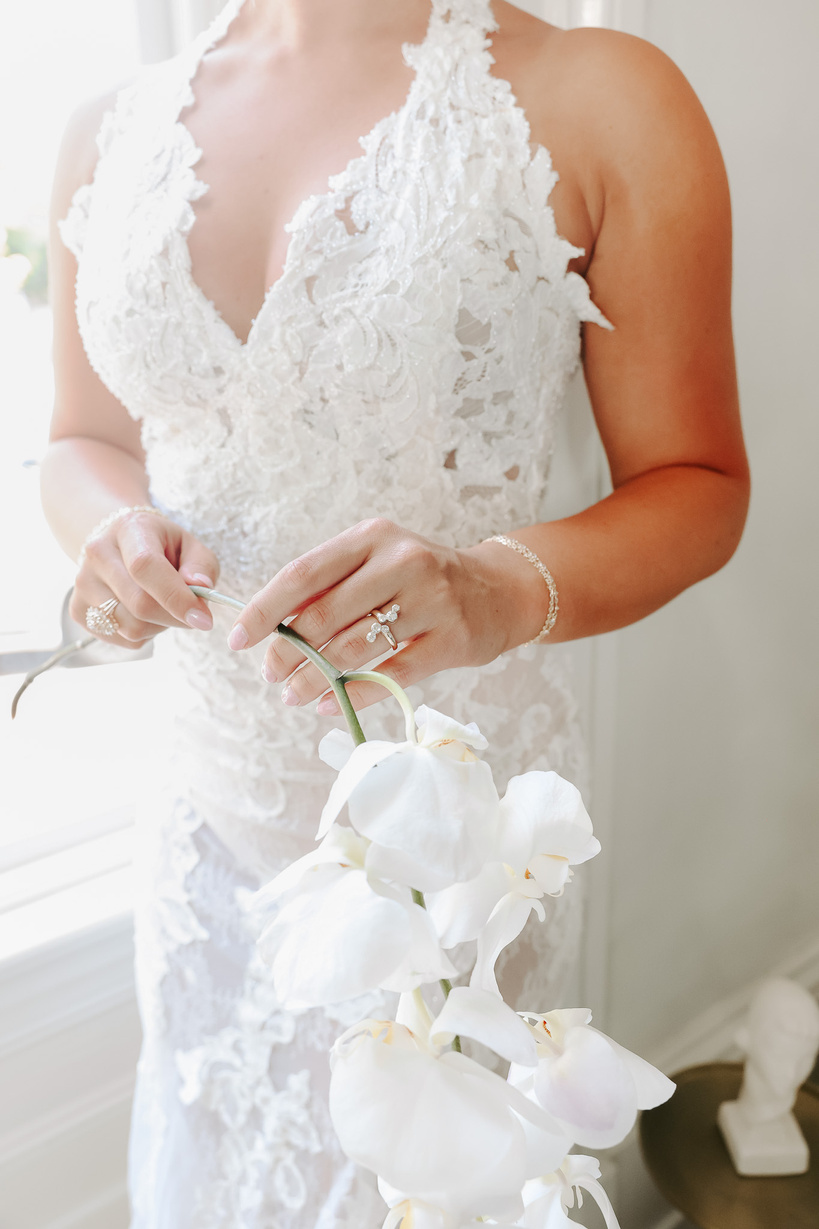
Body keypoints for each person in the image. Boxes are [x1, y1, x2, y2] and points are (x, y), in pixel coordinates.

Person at [42, 0, 750, 1224]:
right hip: (209, 834)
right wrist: (109, 530)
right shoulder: (108, 128)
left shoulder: (604, 97)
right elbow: (83, 439)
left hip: (448, 853)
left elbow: (699, 486)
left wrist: (488, 588)